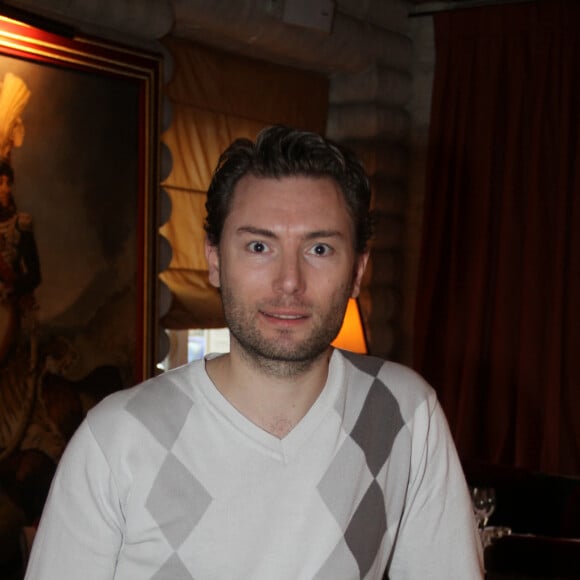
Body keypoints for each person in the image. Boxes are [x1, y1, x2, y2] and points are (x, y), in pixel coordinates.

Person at [24, 126, 484, 579]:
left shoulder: (404, 413)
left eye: (319, 248)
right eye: (259, 246)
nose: (289, 281)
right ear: (215, 260)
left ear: (359, 270)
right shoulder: (117, 439)